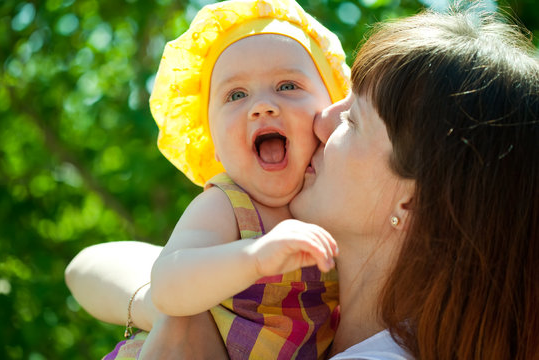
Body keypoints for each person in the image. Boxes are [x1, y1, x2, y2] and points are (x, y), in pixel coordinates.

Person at [66, 5, 539, 360]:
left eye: (351, 120)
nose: (320, 120)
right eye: (235, 94)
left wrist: (187, 315)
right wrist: (181, 308)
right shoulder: (270, 237)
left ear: (411, 202)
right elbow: (87, 266)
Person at [67, 0, 350, 359]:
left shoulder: (338, 203)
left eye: (288, 86)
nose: (262, 105)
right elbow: (168, 284)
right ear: (213, 143)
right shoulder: (228, 205)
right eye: (236, 95)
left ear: (331, 112)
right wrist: (253, 258)